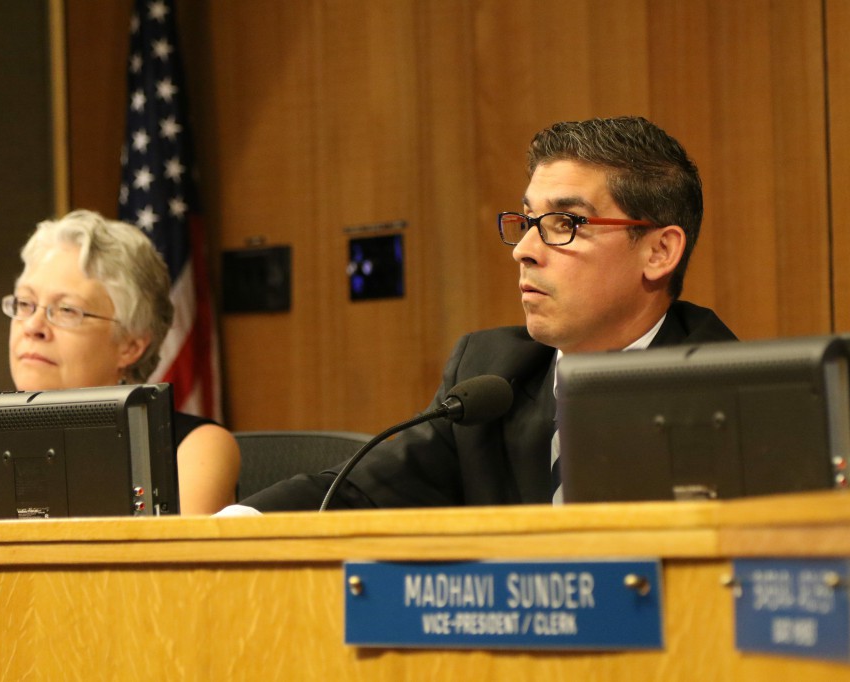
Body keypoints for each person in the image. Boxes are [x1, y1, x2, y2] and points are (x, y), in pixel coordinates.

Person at [236, 116, 737, 513]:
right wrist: (228, 526)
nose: (524, 249)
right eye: (526, 221)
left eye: (563, 223)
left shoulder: (734, 394)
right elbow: (357, 492)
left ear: (658, 253)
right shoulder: (492, 373)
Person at [5, 209, 240, 515]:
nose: (32, 326)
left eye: (66, 310)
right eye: (25, 303)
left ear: (130, 345)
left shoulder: (192, 448)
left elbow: (172, 561)